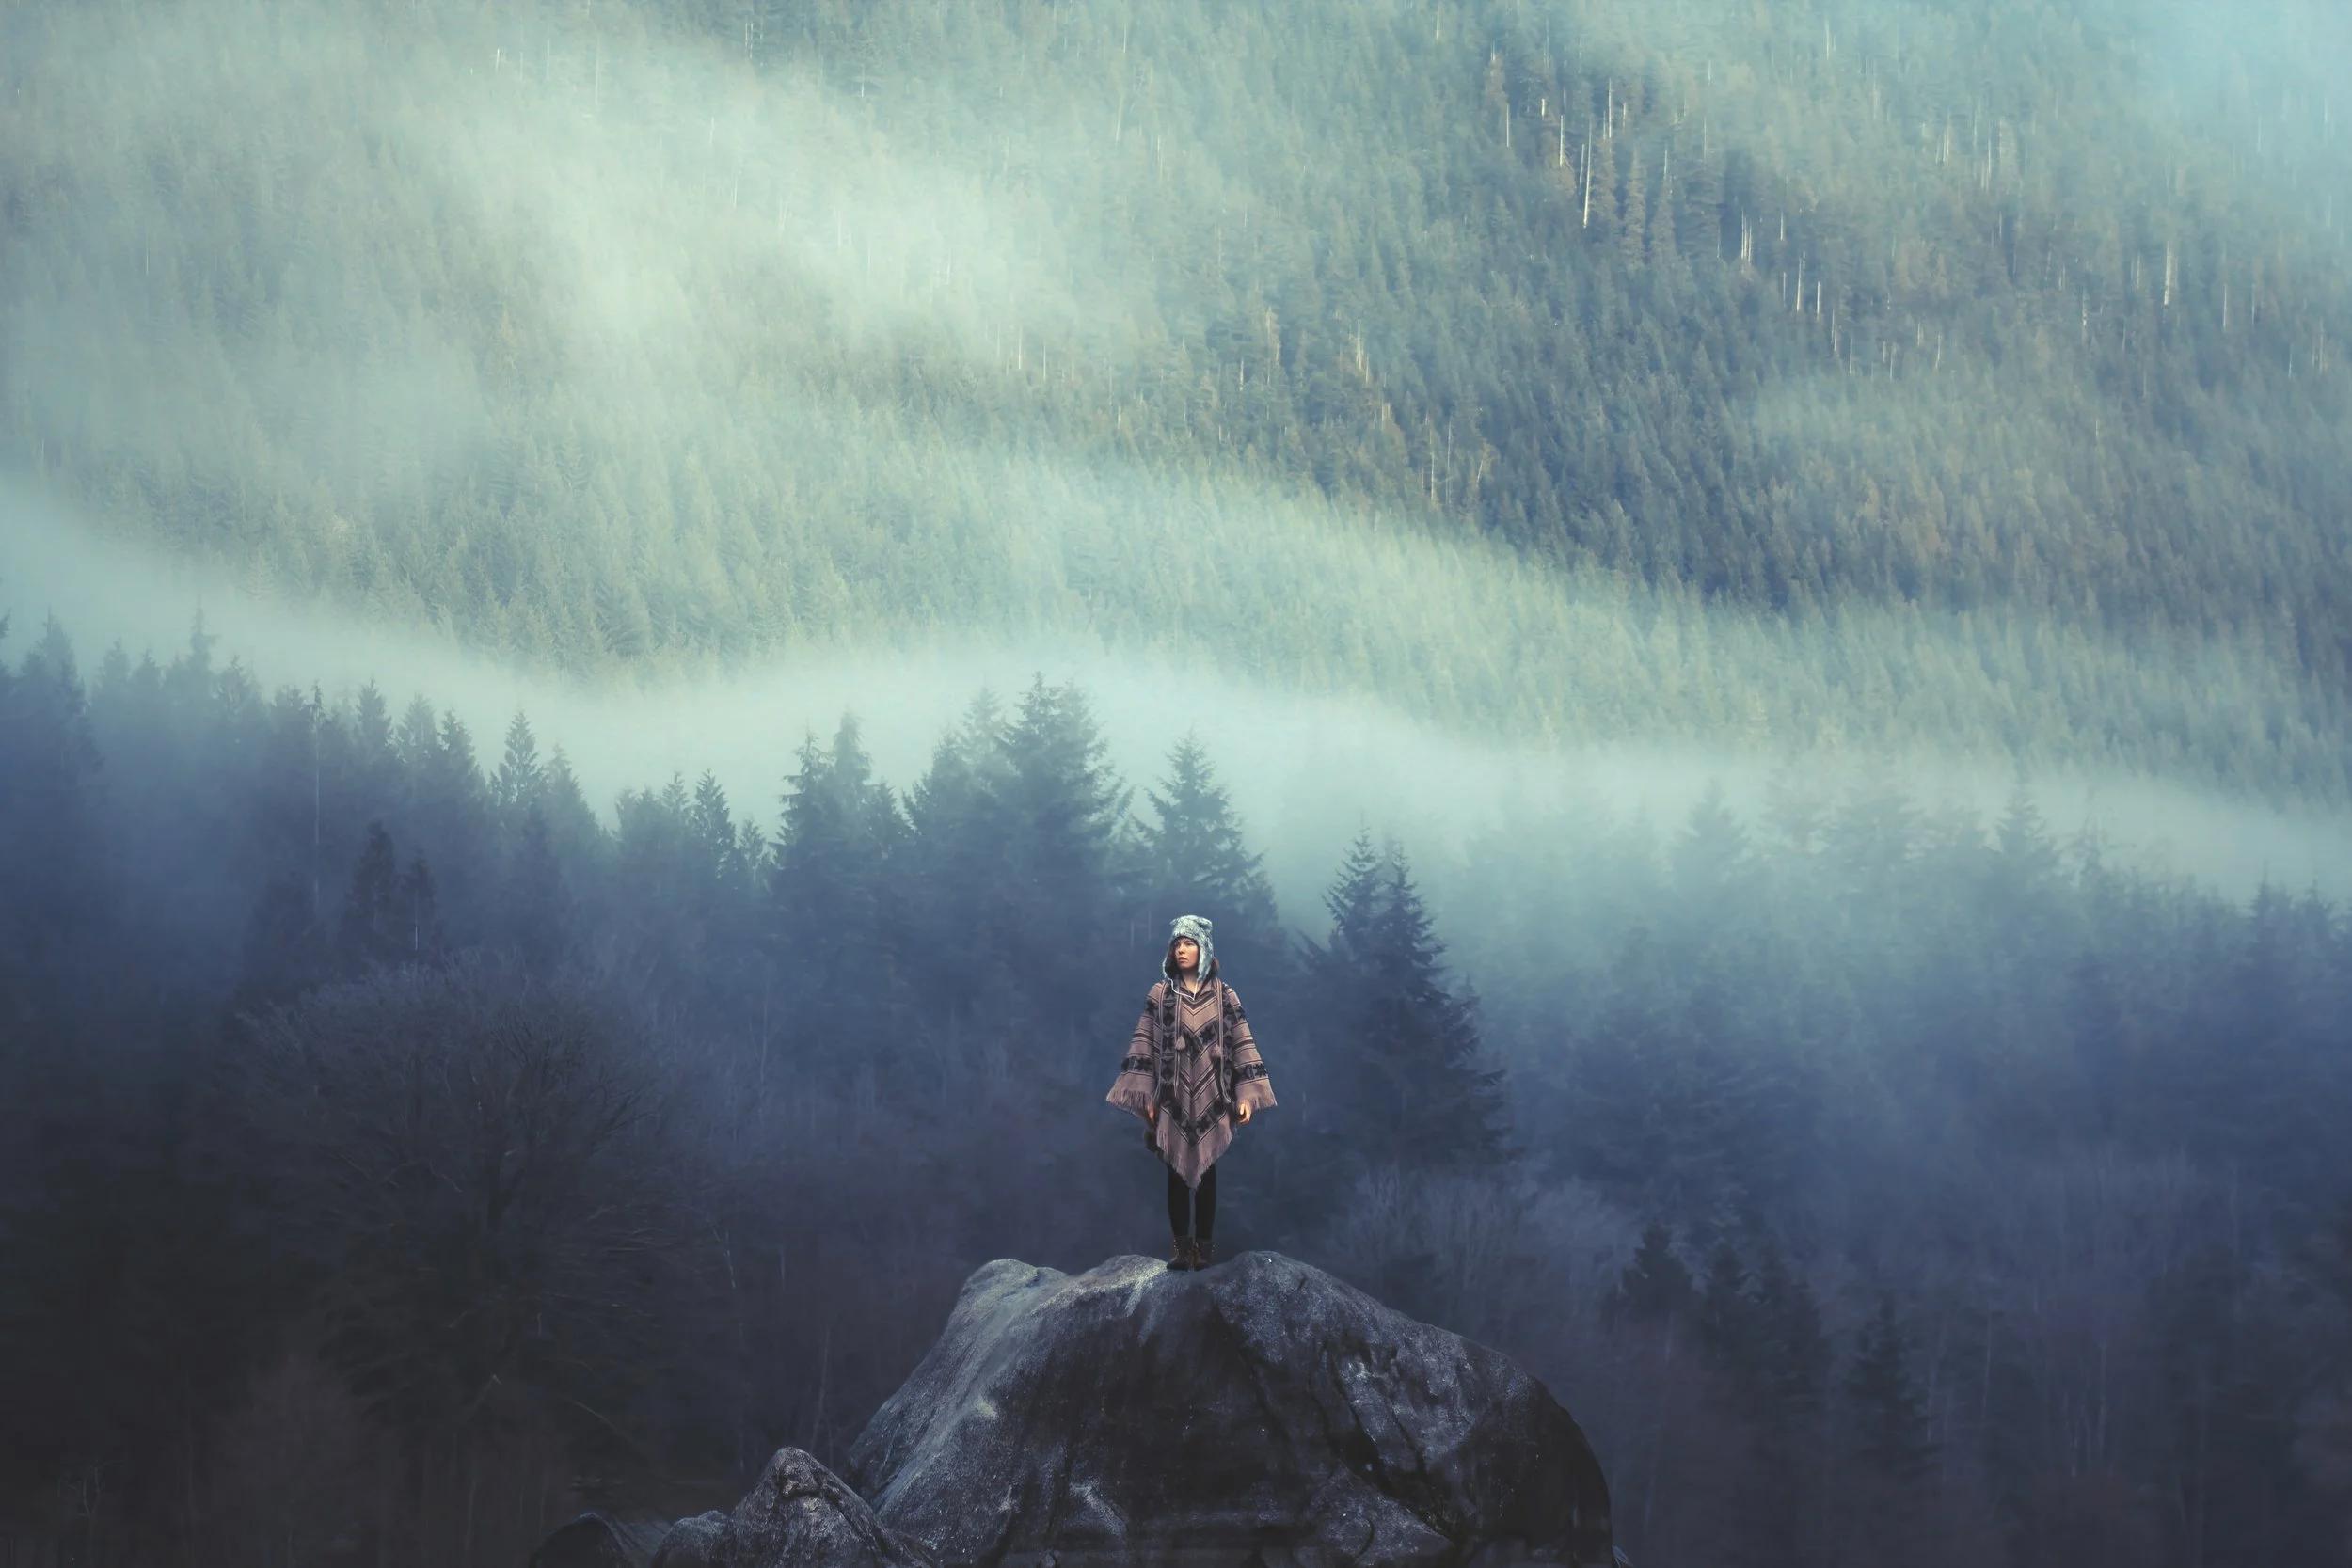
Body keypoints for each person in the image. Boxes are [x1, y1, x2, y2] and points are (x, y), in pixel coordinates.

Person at [1107, 914, 1277, 1270]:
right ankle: (1181, 1250)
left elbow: (1242, 1043)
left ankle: (1204, 1250)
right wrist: (1146, 1096)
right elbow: (1144, 1044)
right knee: (1175, 1172)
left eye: (1189, 943)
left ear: (1204, 949)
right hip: (1171, 1098)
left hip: (1214, 1097)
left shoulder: (1225, 996)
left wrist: (1246, 1096)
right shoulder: (1161, 995)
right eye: (1177, 944)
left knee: (1208, 1173)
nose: (1181, 950)